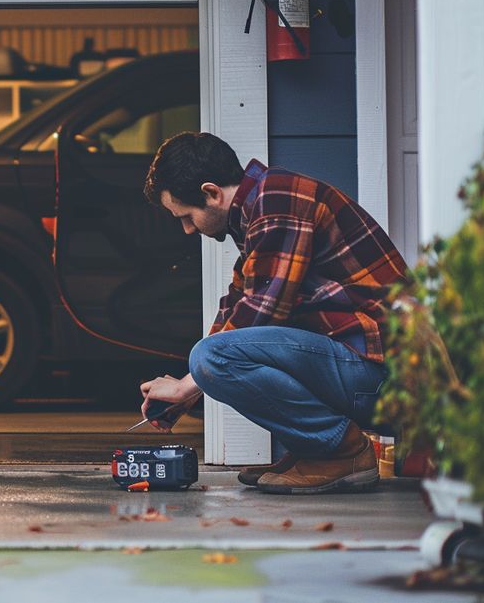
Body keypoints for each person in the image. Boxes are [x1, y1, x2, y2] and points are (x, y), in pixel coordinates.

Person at [139, 132, 409, 494]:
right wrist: (189, 389)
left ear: (211, 193)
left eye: (186, 217)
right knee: (213, 355)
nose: (188, 230)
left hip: (392, 378)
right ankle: (315, 450)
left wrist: (191, 382)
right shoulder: (258, 213)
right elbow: (237, 310)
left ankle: (342, 452)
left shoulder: (281, 197)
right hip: (366, 372)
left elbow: (263, 311)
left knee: (212, 356)